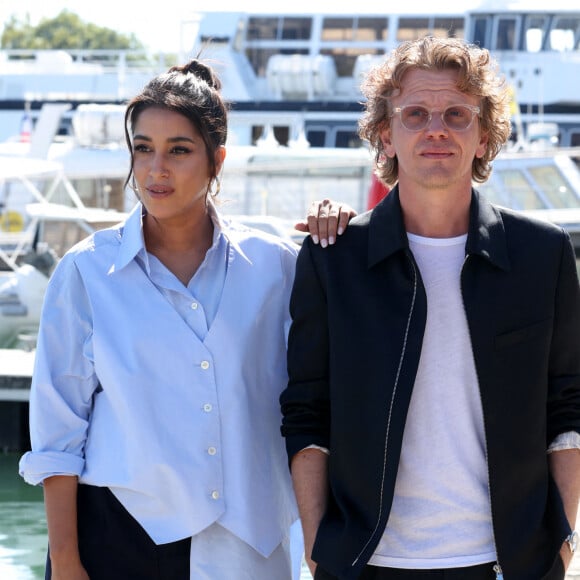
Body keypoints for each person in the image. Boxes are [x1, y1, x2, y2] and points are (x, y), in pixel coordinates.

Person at [18, 59, 354, 580]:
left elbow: (321, 393)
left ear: (216, 160)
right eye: (143, 149)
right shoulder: (87, 271)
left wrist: (345, 231)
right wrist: (65, 561)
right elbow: (58, 433)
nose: (156, 170)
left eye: (179, 150)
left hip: (251, 548)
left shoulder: (278, 266)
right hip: (119, 538)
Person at [280, 36, 580, 580]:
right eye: (414, 113)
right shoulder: (335, 260)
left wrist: (561, 541)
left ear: (485, 136)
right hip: (365, 563)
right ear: (384, 135)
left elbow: (568, 408)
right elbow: (307, 411)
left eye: (457, 114)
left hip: (508, 563)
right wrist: (318, 545)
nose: (436, 128)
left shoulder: (543, 255)